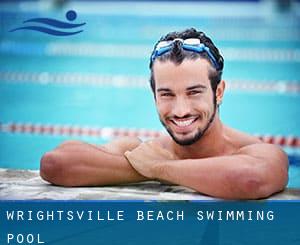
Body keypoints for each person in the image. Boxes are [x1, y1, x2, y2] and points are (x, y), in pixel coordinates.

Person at [40, 28, 288, 199]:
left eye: (194, 93)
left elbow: (249, 180)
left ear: (219, 91)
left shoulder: (254, 151)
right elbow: (56, 164)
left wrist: (161, 168)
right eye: (167, 94)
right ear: (154, 95)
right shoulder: (142, 149)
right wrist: (158, 166)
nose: (180, 111)